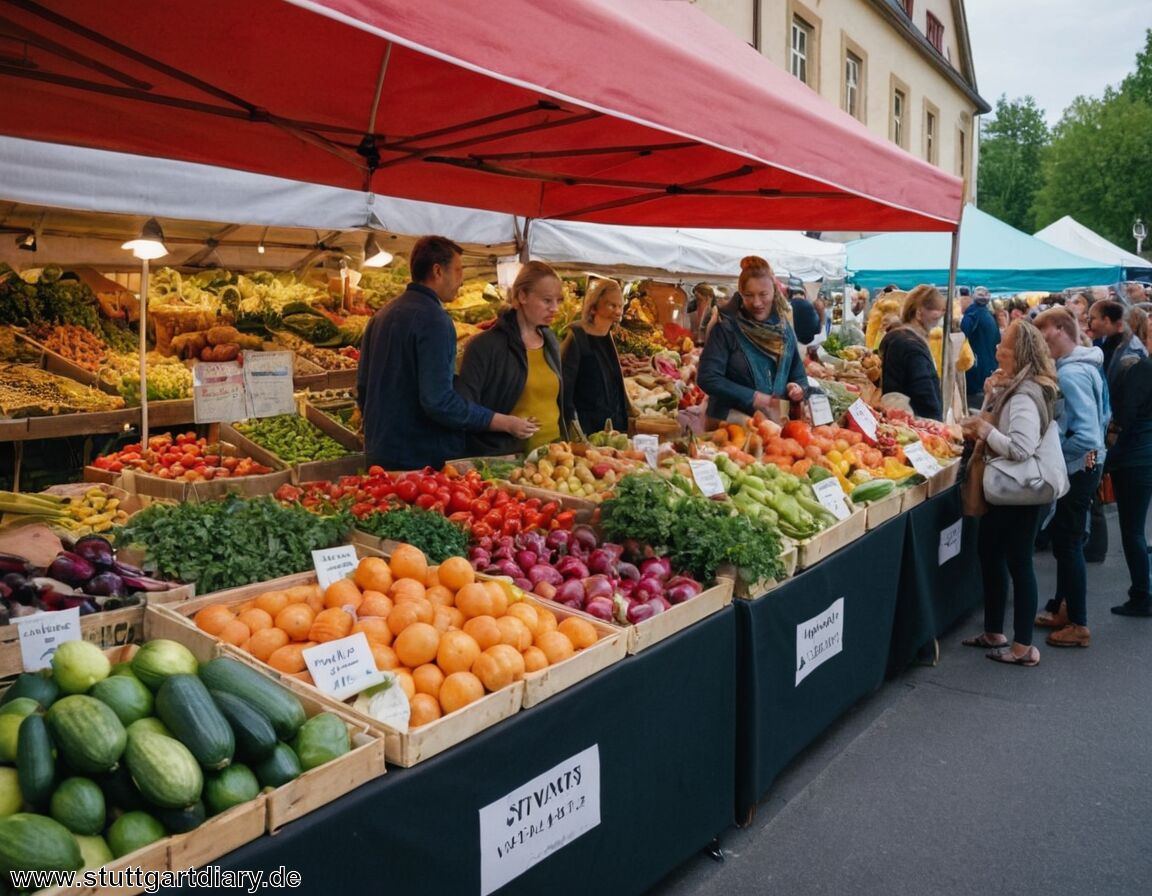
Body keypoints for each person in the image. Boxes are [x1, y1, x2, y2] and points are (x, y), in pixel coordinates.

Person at [356, 235, 537, 470]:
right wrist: (501, 421)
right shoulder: (435, 321)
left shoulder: (381, 315)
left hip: (381, 451)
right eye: (458, 270)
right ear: (438, 271)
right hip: (420, 458)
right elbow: (438, 401)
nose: (461, 280)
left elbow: (362, 387)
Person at [961, 319, 1060, 666]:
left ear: (1016, 354)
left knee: (1018, 561)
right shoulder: (1015, 386)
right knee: (990, 554)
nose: (996, 349)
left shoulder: (1025, 396)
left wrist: (986, 431)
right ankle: (994, 631)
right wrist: (991, 393)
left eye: (1003, 345)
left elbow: (1021, 448)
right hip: (1009, 492)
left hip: (1020, 492)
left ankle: (1022, 647)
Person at [1033, 307, 1109, 647]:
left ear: (1062, 329)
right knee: (1067, 541)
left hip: (1081, 465)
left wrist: (1055, 450)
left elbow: (1089, 435)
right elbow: (1104, 418)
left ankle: (1078, 623)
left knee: (1069, 542)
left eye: (1043, 333)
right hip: (1088, 462)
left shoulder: (1073, 374)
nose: (1040, 341)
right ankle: (1065, 609)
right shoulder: (1086, 364)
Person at [457, 260, 571, 456]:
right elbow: (463, 408)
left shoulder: (550, 340)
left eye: (558, 301)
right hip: (508, 459)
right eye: (547, 300)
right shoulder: (484, 346)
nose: (555, 308)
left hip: (554, 455)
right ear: (522, 295)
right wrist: (506, 423)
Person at [698, 255, 810, 425]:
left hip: (773, 422)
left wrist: (798, 387)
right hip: (729, 424)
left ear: (774, 291)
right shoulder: (726, 328)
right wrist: (753, 397)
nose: (757, 303)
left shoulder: (784, 329)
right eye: (749, 295)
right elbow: (708, 377)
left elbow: (798, 373)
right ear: (741, 294)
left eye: (763, 294)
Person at [1083, 299, 1147, 562]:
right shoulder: (1112, 348)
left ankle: (1142, 594)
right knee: (1130, 529)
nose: (1090, 323)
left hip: (1129, 447)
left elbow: (1127, 407)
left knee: (1131, 530)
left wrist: (1112, 436)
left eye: (1094, 318)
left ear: (1112, 322)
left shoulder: (1130, 356)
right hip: (1124, 444)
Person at [1106, 309, 1152, 616]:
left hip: (1135, 458)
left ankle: (1142, 594)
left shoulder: (1142, 368)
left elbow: (1126, 416)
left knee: (1132, 531)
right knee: (1136, 530)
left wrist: (1106, 454)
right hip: (1142, 455)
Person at [561, 277, 630, 436]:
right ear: (594, 307)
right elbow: (565, 385)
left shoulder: (608, 336)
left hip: (611, 425)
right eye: (611, 305)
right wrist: (572, 425)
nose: (618, 311)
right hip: (586, 427)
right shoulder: (577, 335)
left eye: (620, 306)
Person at [878, 284, 945, 420]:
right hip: (914, 420)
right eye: (937, 313)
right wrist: (936, 420)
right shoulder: (911, 345)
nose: (940, 319)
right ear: (919, 313)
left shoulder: (896, 335)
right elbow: (924, 390)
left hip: (896, 415)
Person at [961, 285, 1001, 410]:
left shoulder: (973, 313)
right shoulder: (989, 316)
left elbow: (963, 332)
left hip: (975, 370)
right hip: (988, 368)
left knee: (974, 406)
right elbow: (997, 340)